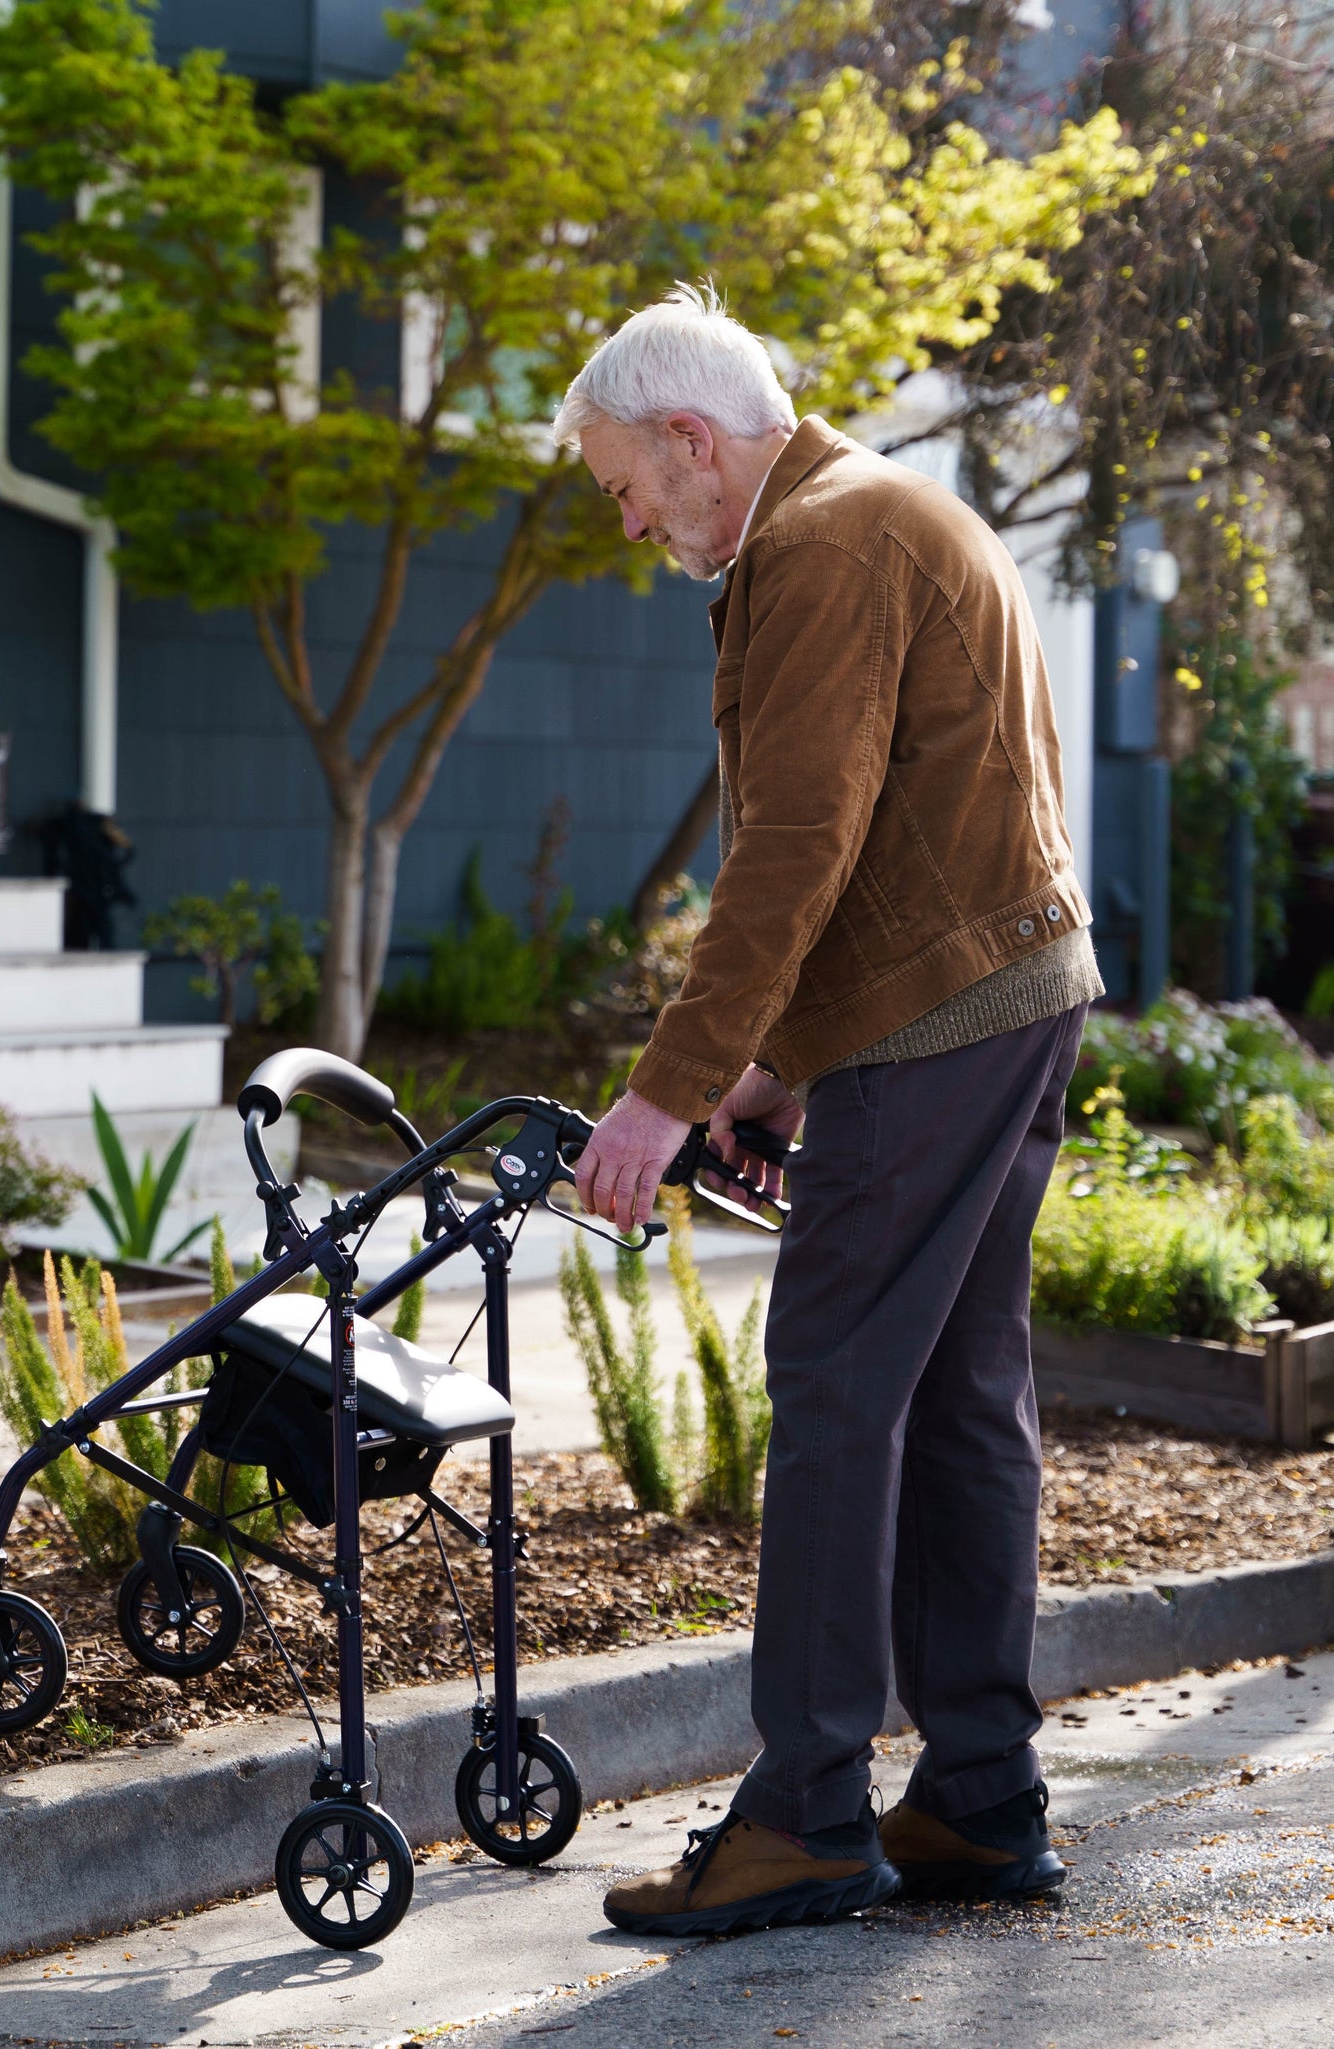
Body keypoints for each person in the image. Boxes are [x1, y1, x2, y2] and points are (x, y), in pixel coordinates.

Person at [556, 285, 1102, 1938]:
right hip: (1002, 999)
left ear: (691, 437)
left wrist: (659, 1094)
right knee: (952, 1392)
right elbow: (909, 828)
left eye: (625, 484)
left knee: (839, 1385)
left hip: (947, 1026)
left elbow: (800, 840)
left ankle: (802, 1813)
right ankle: (981, 1797)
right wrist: (784, 1067)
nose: (630, 517)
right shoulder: (883, 512)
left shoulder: (825, 544)